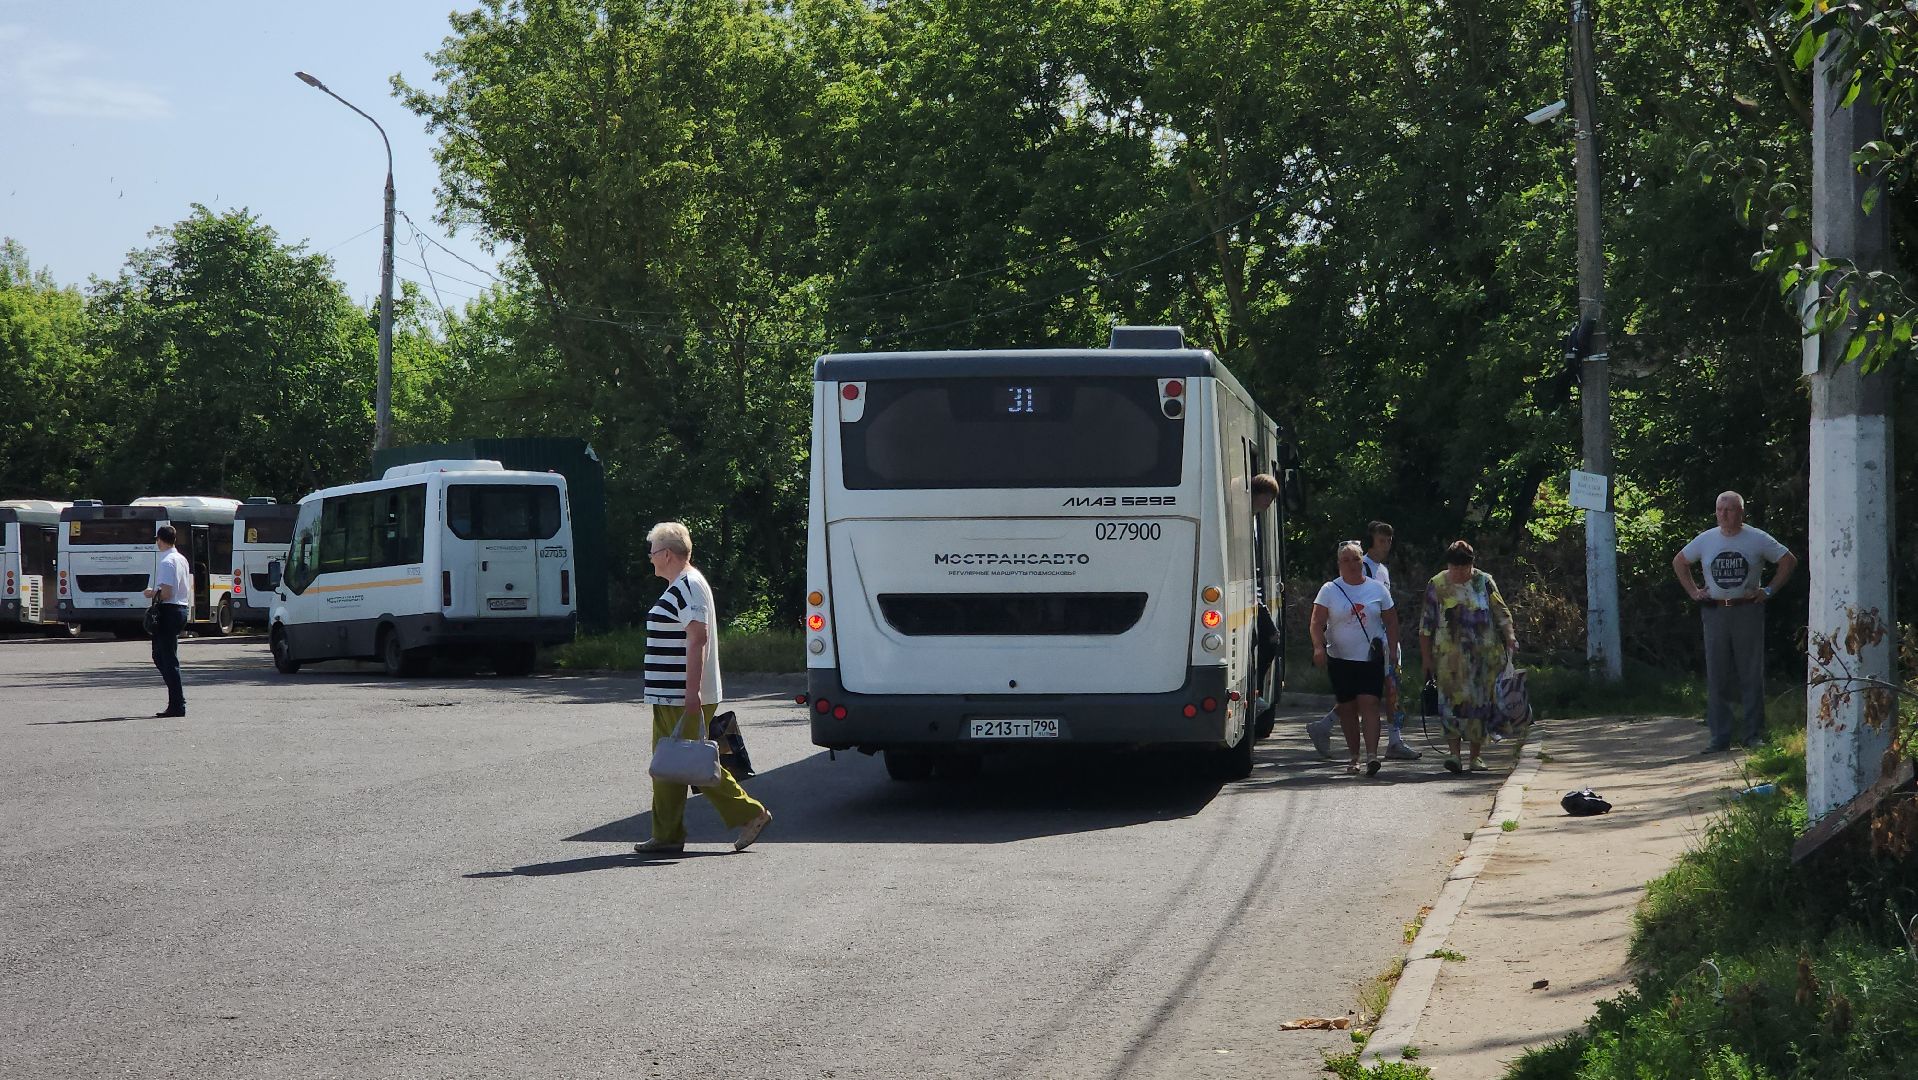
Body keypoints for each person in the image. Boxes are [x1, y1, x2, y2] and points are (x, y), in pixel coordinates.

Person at [635, 522, 773, 854]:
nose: (650, 559)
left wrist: (692, 694)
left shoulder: (689, 586)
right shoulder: (682, 584)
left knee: (693, 763)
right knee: (667, 766)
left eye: (652, 552)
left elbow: (698, 638)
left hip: (682, 696)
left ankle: (751, 813)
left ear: (667, 554)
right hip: (669, 695)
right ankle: (667, 835)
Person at [1672, 491, 1797, 753]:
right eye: (1720, 509)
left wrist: (1768, 591)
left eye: (1729, 510)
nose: (1724, 514)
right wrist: (1694, 592)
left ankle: (1753, 735)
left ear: (1741, 512)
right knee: (1718, 674)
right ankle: (1720, 738)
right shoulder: (1706, 539)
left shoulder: (1756, 538)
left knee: (1750, 672)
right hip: (1715, 611)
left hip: (1746, 610)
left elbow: (1787, 560)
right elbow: (1680, 562)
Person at [1419, 541, 1516, 773]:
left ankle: (1475, 756)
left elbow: (1501, 612)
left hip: (1483, 658)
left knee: (1479, 706)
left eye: (1464, 568)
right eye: (1455, 568)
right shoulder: (1437, 584)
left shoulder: (1484, 581)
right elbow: (1426, 626)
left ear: (1472, 564)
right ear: (1448, 565)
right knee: (1449, 706)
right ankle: (1454, 756)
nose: (1460, 573)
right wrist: (1426, 659)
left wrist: (1510, 636)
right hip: (1448, 660)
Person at [1310, 541, 1401, 776]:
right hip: (1339, 658)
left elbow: (1391, 621)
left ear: (1363, 561)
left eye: (1356, 559)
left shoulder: (1377, 589)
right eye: (1346, 560)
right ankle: (1354, 756)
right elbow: (1317, 622)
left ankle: (1372, 756)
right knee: (1348, 707)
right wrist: (1318, 648)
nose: (1352, 564)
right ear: (1339, 564)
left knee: (1369, 703)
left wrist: (1392, 650)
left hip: (1370, 657)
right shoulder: (1329, 589)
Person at [1361, 521, 1420, 760]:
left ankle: (1395, 740)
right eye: (1381, 540)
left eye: (1389, 540)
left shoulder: (1383, 569)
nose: (1386, 545)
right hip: (1371, 640)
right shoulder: (1363, 566)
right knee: (1368, 692)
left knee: (1393, 688)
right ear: (1371, 541)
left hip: (1387, 637)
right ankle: (1327, 725)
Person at [142, 525, 192, 718]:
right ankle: (176, 699)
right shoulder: (181, 559)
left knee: (167, 659)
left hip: (169, 610)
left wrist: (151, 593)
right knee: (160, 655)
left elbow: (167, 592)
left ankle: (177, 703)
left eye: (157, 540)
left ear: (160, 540)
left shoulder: (167, 561)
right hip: (181, 609)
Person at [1249, 474, 1282, 720]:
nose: (1269, 502)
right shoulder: (1244, 519)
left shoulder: (1252, 520)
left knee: (1268, 640)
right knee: (1270, 640)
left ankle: (1256, 690)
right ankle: (1255, 691)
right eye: (1268, 496)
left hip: (1255, 595)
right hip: (1252, 597)